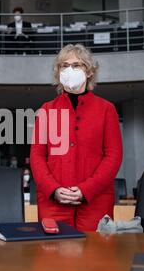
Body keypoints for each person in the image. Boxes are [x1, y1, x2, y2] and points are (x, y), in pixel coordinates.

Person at [30, 44, 123, 232]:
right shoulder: (47, 109)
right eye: (64, 66)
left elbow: (113, 156)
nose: (69, 70)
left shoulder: (106, 109)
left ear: (89, 72)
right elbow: (37, 156)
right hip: (53, 203)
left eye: (76, 65)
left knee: (96, 256)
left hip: (95, 202)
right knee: (52, 256)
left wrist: (87, 189)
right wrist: (54, 189)